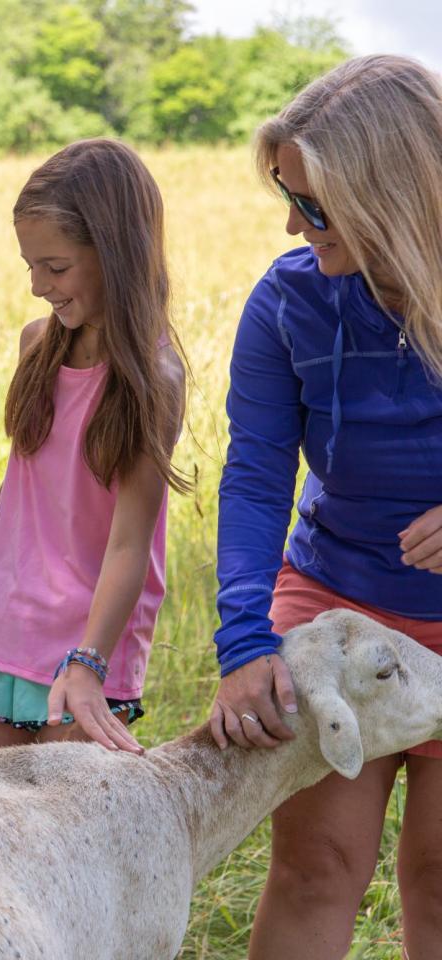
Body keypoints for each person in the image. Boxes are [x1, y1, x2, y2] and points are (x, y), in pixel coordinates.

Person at [207, 55, 442, 959]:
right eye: (287, 198)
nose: (294, 224)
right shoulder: (286, 300)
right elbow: (258, 476)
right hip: (338, 605)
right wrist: (243, 643)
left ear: (391, 191)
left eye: (314, 204)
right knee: (316, 867)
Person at [0, 139, 188, 757]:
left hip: (87, 647)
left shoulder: (152, 380)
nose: (36, 286)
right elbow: (17, 489)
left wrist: (89, 662)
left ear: (115, 253)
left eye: (54, 268)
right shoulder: (36, 346)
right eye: (29, 266)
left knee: (63, 844)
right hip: (2, 624)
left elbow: (132, 541)